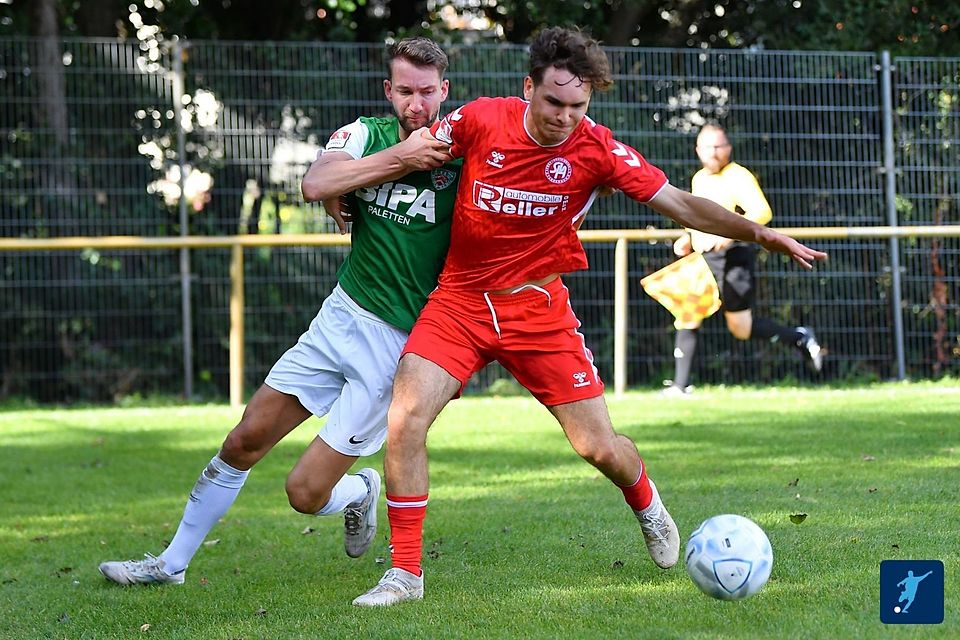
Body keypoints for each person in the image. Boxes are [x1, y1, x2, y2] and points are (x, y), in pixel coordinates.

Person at [351, 27, 827, 607]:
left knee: (599, 448)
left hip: (538, 310)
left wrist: (757, 232)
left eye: (578, 106)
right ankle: (405, 574)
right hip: (460, 302)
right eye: (554, 102)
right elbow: (411, 155)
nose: (564, 116)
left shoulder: (596, 148)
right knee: (405, 419)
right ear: (529, 88)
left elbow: (678, 202)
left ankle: (647, 502)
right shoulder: (479, 119)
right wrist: (342, 183)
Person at [98, 37, 459, 585]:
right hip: (340, 318)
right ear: (389, 90)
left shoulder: (464, 154)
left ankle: (359, 490)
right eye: (405, 91)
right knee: (243, 439)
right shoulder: (366, 134)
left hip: (395, 348)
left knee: (304, 493)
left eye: (427, 93)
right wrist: (396, 160)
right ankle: (170, 565)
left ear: (444, 91)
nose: (416, 104)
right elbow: (316, 182)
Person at [663, 124, 823, 396]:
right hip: (705, 258)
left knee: (740, 328)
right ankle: (680, 386)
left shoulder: (738, 176)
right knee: (687, 311)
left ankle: (799, 338)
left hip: (733, 257)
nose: (712, 153)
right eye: (706, 147)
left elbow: (761, 212)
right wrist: (689, 237)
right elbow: (701, 217)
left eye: (718, 146)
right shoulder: (700, 178)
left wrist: (730, 236)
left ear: (728, 148)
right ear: (697, 150)